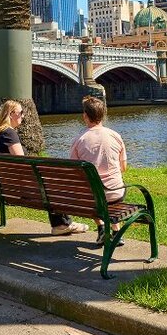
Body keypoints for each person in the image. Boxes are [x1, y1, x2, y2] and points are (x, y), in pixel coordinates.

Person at [0, 100, 88, 236]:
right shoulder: (9, 133)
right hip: (16, 187)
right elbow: (22, 161)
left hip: (5, 184)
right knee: (53, 184)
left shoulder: (0, 133)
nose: (23, 116)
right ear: (11, 114)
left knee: (50, 183)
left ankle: (62, 223)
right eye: (21, 113)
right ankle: (62, 224)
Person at [69, 96, 127, 246]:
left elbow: (75, 172)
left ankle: (101, 228)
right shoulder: (116, 136)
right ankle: (116, 231)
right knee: (113, 186)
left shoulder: (79, 140)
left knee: (91, 192)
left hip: (90, 198)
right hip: (116, 193)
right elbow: (124, 168)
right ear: (103, 115)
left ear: (85, 116)